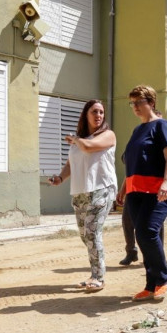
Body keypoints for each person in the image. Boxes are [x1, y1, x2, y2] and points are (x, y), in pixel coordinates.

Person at [49, 99, 116, 292]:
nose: (99, 115)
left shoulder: (108, 135)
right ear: (86, 114)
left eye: (101, 112)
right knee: (85, 235)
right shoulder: (79, 139)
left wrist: (74, 139)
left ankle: (98, 277)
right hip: (80, 191)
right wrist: (60, 178)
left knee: (93, 232)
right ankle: (94, 273)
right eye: (94, 112)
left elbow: (88, 147)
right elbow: (71, 163)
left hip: (101, 188)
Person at [122, 85, 167, 301]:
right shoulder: (137, 131)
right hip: (136, 190)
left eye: (139, 102)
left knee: (147, 232)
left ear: (152, 103)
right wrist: (123, 189)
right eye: (132, 103)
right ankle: (150, 285)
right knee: (141, 236)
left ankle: (164, 278)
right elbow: (132, 162)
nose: (135, 106)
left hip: (159, 189)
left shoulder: (162, 125)